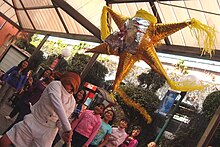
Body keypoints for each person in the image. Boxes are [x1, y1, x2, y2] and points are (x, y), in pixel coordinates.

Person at [0, 72, 81, 147]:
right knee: (6, 139)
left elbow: (60, 121)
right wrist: (68, 128)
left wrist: (63, 132)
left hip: (48, 132)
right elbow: (57, 104)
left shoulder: (72, 102)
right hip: (34, 120)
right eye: (68, 83)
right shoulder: (55, 85)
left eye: (73, 85)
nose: (70, 87)